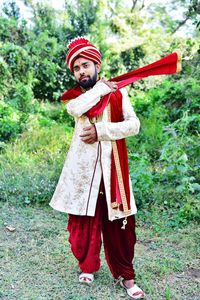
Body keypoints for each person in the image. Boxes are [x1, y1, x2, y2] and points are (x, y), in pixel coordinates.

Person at [49, 37, 145, 299]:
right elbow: (75, 108)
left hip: (113, 170)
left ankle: (127, 275)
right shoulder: (78, 98)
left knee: (121, 225)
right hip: (83, 174)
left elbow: (133, 125)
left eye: (86, 65)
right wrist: (101, 90)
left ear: (96, 65)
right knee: (83, 223)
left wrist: (102, 130)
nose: (81, 71)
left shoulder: (119, 92)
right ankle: (87, 266)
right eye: (76, 68)